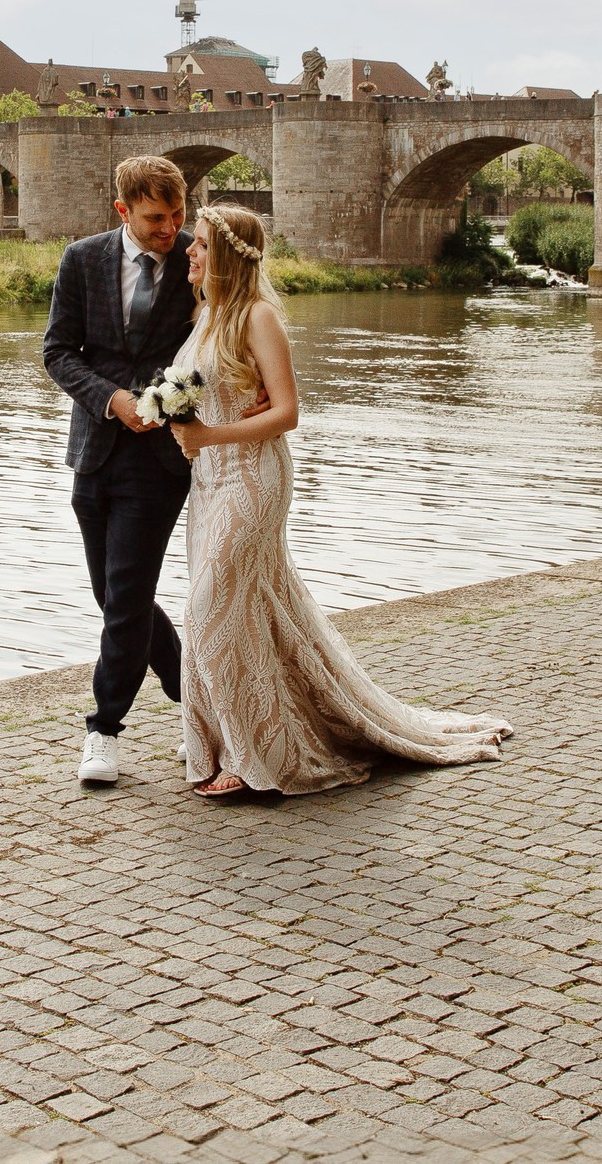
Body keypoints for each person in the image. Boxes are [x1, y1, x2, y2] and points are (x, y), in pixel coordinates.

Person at [168, 204, 514, 798]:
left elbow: (287, 413)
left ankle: (256, 757)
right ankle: (228, 738)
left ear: (225, 255)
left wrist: (209, 435)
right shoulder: (206, 316)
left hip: (252, 482)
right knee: (245, 611)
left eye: (200, 244)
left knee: (209, 610)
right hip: (209, 484)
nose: (190, 252)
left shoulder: (258, 317)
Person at [42, 155, 199, 787]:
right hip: (95, 450)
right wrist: (112, 400)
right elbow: (58, 352)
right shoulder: (82, 260)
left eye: (177, 215)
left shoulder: (198, 260)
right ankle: (197, 701)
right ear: (123, 211)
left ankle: (103, 730)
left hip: (161, 459)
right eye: (156, 218)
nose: (170, 229)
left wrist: (167, 402)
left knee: (127, 595)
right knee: (113, 596)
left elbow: (217, 349)